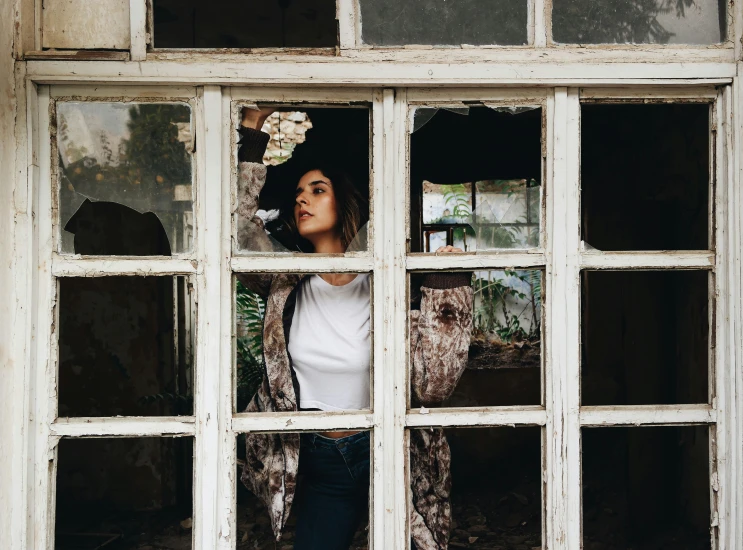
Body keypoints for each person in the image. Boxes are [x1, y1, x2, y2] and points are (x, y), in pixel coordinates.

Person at [236, 106, 474, 550]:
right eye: (299, 193)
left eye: (317, 190)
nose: (301, 199)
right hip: (316, 458)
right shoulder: (283, 281)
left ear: (343, 202)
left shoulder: (387, 283)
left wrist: (448, 282)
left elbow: (434, 387)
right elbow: (236, 229)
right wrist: (253, 131)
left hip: (387, 452)